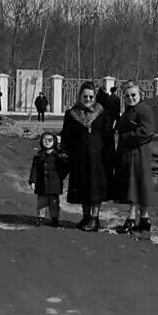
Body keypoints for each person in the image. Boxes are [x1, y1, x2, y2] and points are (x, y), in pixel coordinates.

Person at [60, 81, 115, 232]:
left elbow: (108, 136)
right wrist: (64, 151)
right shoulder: (71, 114)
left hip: (98, 158)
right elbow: (65, 135)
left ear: (95, 97)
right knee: (83, 188)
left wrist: (110, 156)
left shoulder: (102, 113)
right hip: (79, 158)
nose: (88, 100)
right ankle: (85, 217)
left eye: (91, 97)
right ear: (80, 96)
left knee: (95, 188)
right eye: (85, 96)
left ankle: (95, 219)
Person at [113, 81, 158, 234]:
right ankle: (144, 219)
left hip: (138, 152)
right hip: (130, 152)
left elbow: (146, 131)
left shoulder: (144, 110)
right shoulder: (128, 111)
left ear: (140, 95)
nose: (130, 98)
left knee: (136, 184)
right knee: (139, 184)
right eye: (127, 96)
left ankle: (131, 219)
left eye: (133, 95)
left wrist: (128, 137)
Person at [28, 132, 68, 228]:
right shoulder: (39, 155)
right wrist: (33, 181)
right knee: (41, 203)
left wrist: (60, 177)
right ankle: (40, 218)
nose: (47, 142)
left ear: (54, 141)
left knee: (54, 203)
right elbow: (34, 169)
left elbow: (65, 168)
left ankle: (55, 219)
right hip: (41, 184)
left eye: (50, 140)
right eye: (44, 140)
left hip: (54, 184)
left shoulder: (58, 155)